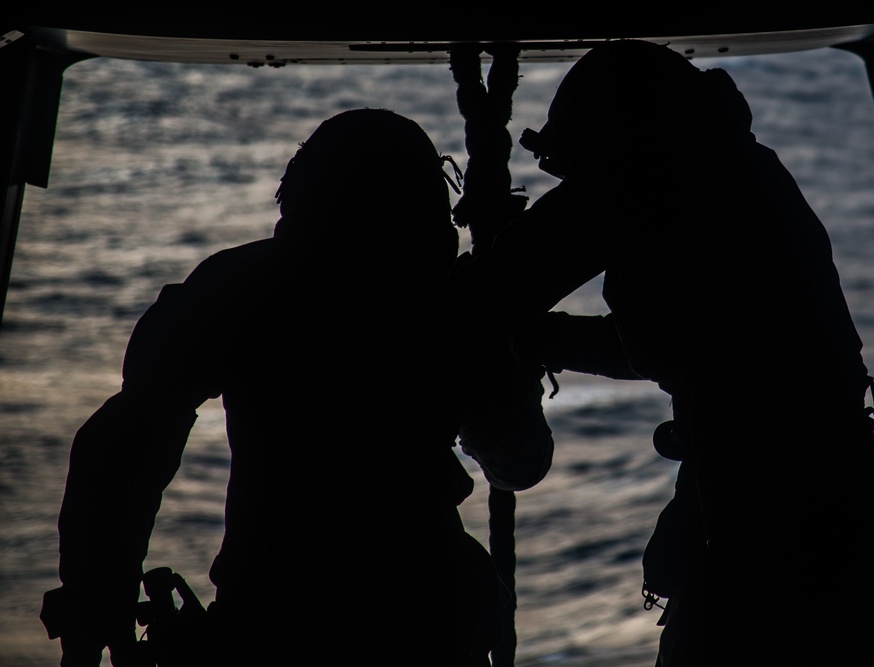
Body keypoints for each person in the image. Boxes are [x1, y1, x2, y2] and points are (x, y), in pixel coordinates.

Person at [450, 39, 874, 667]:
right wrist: (549, 338)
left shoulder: (640, 176)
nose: (577, 181)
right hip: (829, 509)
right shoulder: (731, 170)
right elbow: (696, 343)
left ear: (612, 141)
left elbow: (492, 295)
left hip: (786, 522)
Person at [40, 108, 554, 667]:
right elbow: (519, 462)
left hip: (265, 621)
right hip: (421, 621)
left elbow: (119, 450)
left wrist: (95, 607)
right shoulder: (448, 311)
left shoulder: (237, 287)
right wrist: (506, 351)